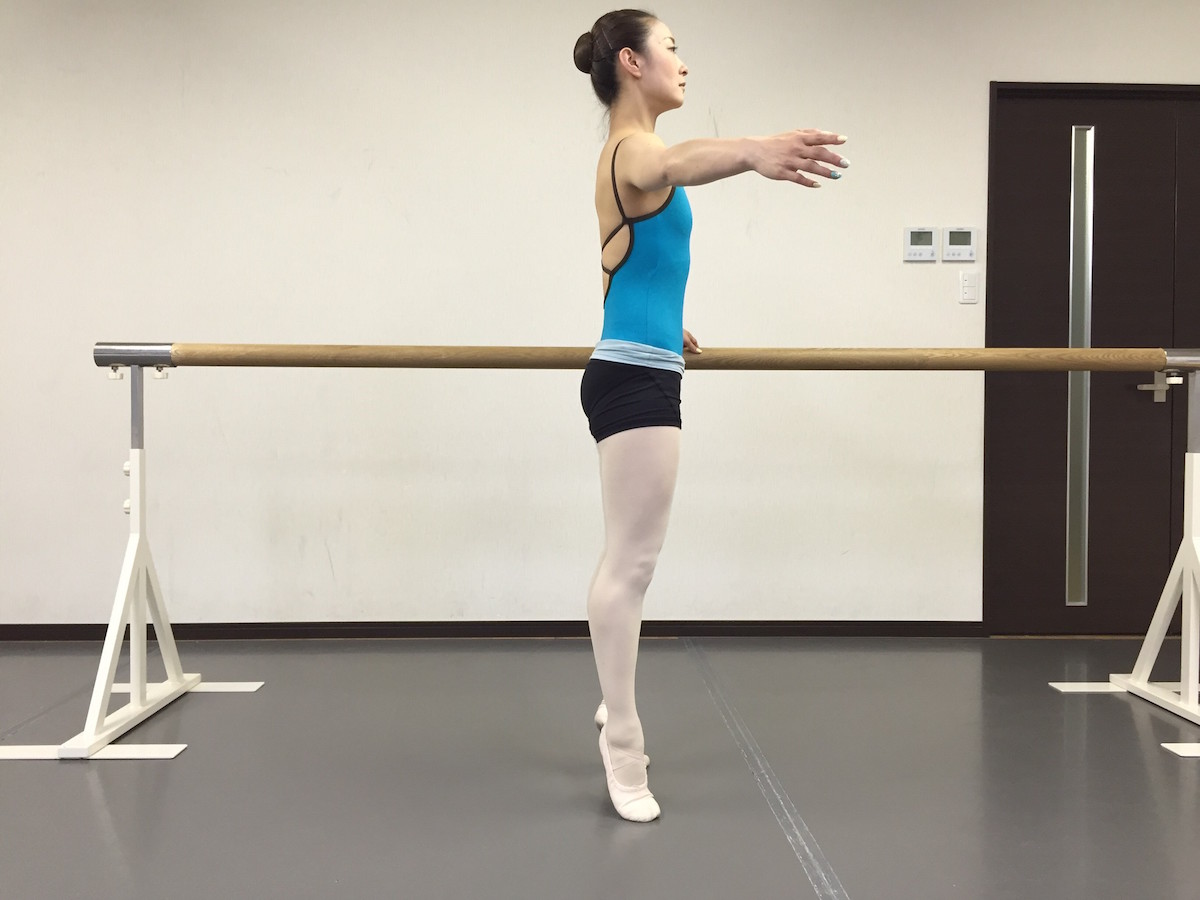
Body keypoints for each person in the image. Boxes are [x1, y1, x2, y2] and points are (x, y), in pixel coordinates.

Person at [573, 9, 848, 823]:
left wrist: (666, 323)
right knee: (631, 566)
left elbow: (623, 266)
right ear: (632, 62)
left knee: (629, 560)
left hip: (641, 361)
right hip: (634, 380)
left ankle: (612, 704)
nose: (683, 63)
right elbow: (671, 164)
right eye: (672, 48)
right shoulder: (633, 150)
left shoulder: (625, 154)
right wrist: (754, 151)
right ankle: (624, 740)